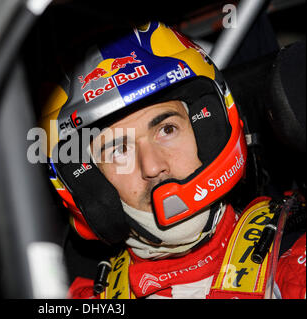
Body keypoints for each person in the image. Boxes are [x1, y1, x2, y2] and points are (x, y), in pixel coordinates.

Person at [38, 21, 305, 299]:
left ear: (206, 131)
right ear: (90, 182)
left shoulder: (294, 260)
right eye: (118, 150)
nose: (153, 166)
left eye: (167, 130)